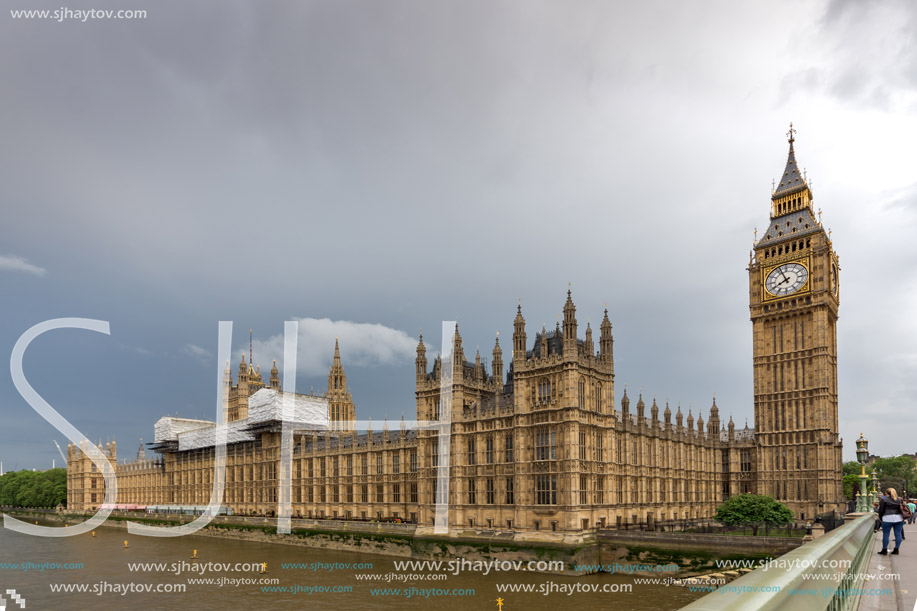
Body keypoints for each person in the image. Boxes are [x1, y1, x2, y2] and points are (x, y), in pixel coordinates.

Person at [877, 488, 904, 555]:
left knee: (886, 534)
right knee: (898, 534)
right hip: (899, 518)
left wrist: (880, 518)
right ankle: (896, 550)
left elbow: (881, 510)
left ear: (887, 493)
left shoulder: (884, 499)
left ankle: (884, 550)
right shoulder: (899, 499)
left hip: (887, 518)